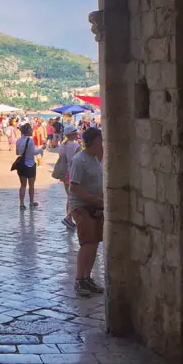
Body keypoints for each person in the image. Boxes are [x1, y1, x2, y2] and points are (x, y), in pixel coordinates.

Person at [68, 127, 105, 297]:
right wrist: (94, 199)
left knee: (94, 242)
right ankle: (79, 280)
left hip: (95, 205)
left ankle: (87, 278)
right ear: (91, 142)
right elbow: (74, 187)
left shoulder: (95, 159)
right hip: (82, 206)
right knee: (87, 243)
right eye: (99, 140)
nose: (102, 143)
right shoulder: (79, 160)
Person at [57, 125, 82, 230]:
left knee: (70, 197)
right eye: (76, 132)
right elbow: (80, 161)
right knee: (75, 198)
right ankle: (68, 217)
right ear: (72, 134)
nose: (78, 134)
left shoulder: (62, 145)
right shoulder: (76, 146)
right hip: (74, 174)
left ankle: (69, 218)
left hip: (65, 174)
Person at [14, 123, 43, 210]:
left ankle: (21, 204)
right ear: (28, 131)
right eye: (31, 129)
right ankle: (31, 202)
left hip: (21, 165)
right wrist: (41, 149)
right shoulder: (30, 141)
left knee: (22, 185)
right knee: (31, 185)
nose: (32, 131)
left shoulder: (18, 140)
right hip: (30, 164)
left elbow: (17, 153)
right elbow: (34, 152)